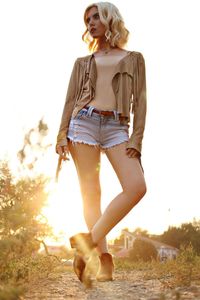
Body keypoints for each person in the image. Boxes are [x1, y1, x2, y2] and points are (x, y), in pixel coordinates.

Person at [56, 1, 147, 287]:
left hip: (117, 128)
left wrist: (137, 138)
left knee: (136, 186)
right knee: (91, 194)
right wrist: (61, 135)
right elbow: (70, 100)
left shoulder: (134, 58)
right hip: (82, 123)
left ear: (110, 19)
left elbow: (141, 101)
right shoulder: (82, 63)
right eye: (87, 19)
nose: (91, 23)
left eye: (96, 17)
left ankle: (87, 243)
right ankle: (104, 260)